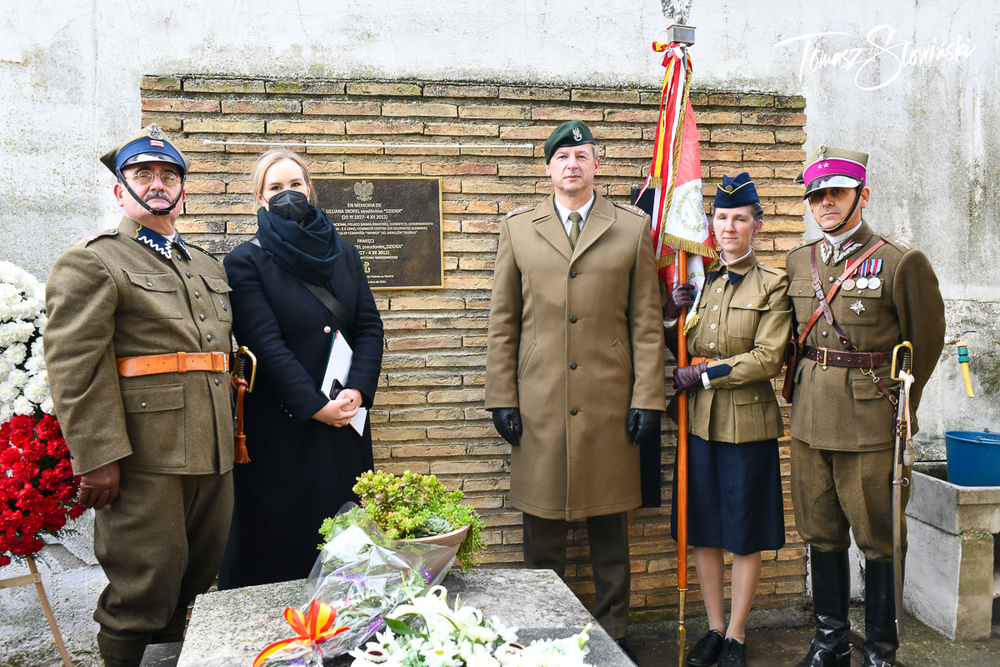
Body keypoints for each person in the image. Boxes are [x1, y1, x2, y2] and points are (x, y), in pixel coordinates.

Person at [44, 125, 235, 666]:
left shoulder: (205, 264)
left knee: (194, 582)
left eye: (168, 175)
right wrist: (98, 457)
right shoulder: (94, 260)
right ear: (118, 190)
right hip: (145, 456)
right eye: (142, 174)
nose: (157, 183)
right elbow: (74, 367)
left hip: (213, 452)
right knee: (140, 588)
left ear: (182, 189)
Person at [485, 120, 665, 659]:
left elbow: (646, 323)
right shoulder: (519, 228)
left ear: (596, 163)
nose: (572, 165)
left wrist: (647, 397)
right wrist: (501, 396)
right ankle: (543, 629)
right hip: (538, 400)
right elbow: (503, 321)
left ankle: (615, 635)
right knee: (541, 527)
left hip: (611, 401)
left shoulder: (631, 228)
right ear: (547, 168)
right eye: (562, 156)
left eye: (582, 155)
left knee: (611, 527)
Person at [786, 146, 945, 667]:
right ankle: (830, 642)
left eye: (837, 193)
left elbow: (926, 341)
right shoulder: (799, 262)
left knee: (879, 539)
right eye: (817, 195)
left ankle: (879, 649)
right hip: (810, 422)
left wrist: (902, 408)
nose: (826, 203)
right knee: (820, 532)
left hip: (871, 424)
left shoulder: (899, 262)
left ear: (862, 195)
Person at [217, 149, 384, 590]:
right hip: (283, 427)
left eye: (295, 185)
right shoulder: (244, 261)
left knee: (343, 536)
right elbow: (263, 344)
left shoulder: (345, 254)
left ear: (309, 189)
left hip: (345, 422)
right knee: (283, 543)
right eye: (275, 188)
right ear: (260, 198)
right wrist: (313, 405)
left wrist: (358, 391)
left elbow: (368, 326)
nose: (287, 194)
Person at [665, 173, 792, 667]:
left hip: (747, 429)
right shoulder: (701, 281)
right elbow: (684, 344)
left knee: (742, 532)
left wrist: (703, 374)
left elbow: (768, 358)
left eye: (740, 218)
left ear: (756, 225)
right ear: (712, 224)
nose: (730, 227)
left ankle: (737, 635)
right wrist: (670, 313)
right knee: (705, 529)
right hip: (698, 426)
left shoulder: (773, 284)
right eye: (722, 218)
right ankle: (713, 629)